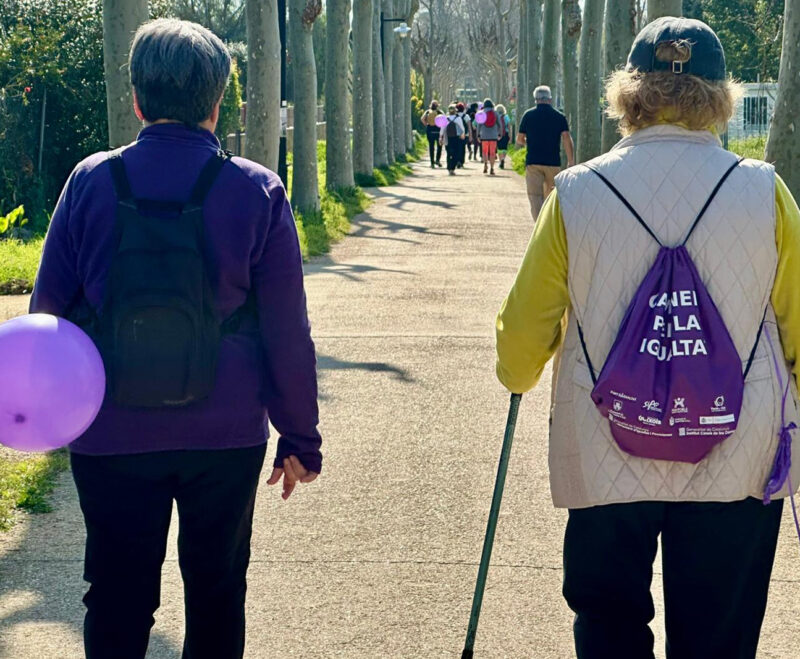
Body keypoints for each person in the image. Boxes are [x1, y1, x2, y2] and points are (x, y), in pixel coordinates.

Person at [496, 17, 800, 659]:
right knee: (719, 635)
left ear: (629, 92)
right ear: (719, 94)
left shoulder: (575, 194)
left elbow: (522, 337)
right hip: (735, 448)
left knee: (608, 622)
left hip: (608, 446)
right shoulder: (765, 192)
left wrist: (518, 374)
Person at [30, 18, 321, 658]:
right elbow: (287, 332)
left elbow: (46, 314)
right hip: (226, 433)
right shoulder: (256, 190)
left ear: (136, 99)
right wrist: (301, 436)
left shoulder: (91, 182)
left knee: (115, 596)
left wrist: (48, 418)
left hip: (110, 432)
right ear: (220, 101)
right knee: (217, 592)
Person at [517, 85, 575, 220]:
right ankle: (549, 223)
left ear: (535, 99)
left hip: (533, 161)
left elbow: (519, 139)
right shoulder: (559, 116)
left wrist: (530, 143)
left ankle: (538, 224)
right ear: (550, 99)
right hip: (553, 162)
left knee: (535, 196)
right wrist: (571, 161)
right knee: (551, 195)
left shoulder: (528, 115)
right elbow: (566, 138)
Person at [476, 98, 500, 175]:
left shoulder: (481, 113)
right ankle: (492, 168)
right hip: (493, 136)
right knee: (492, 153)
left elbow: (479, 125)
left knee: (485, 151)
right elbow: (500, 124)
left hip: (484, 136)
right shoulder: (495, 113)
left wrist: (478, 135)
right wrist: (499, 134)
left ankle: (485, 164)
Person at [440, 103, 465, 175]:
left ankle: (449, 167)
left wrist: (440, 137)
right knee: (455, 153)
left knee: (448, 153)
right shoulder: (458, 118)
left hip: (447, 138)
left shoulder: (445, 119)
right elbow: (462, 128)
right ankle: (452, 168)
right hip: (456, 138)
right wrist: (462, 135)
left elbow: (442, 129)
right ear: (455, 111)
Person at [421, 100, 443, 168]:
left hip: (430, 130)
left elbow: (422, 119)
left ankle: (432, 162)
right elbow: (444, 119)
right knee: (439, 146)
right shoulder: (440, 112)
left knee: (431, 146)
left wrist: (427, 124)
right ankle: (437, 160)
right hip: (438, 130)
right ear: (437, 106)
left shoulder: (427, 111)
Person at [495, 104, 511, 169]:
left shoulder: (496, 117)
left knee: (499, 148)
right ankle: (503, 159)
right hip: (505, 134)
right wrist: (510, 135)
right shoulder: (506, 117)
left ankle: (500, 160)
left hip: (498, 134)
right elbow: (509, 127)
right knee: (504, 148)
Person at [456, 102, 470, 168]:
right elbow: (469, 126)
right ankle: (461, 161)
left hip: (456, 135)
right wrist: (471, 136)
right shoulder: (466, 116)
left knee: (456, 147)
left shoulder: (455, 116)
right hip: (464, 134)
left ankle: (457, 160)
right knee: (462, 148)